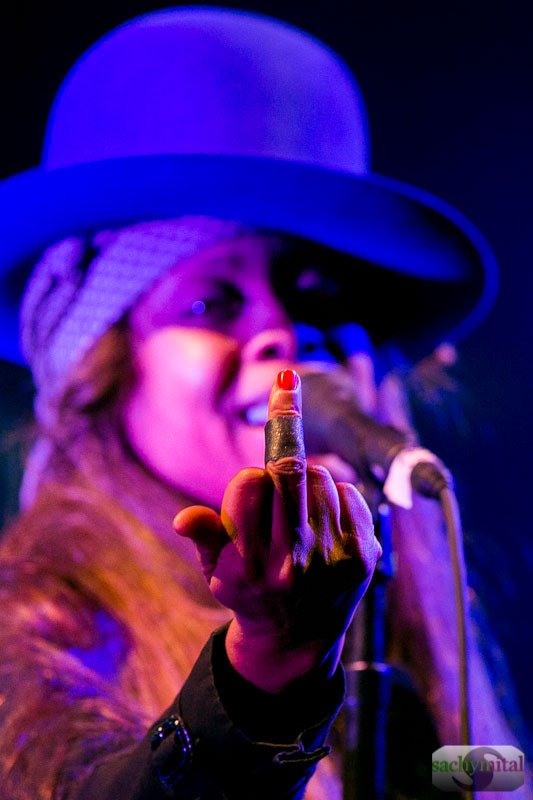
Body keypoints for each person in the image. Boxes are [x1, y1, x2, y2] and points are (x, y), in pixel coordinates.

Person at [0, 8, 528, 800]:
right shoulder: (37, 629)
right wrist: (266, 675)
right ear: (105, 372)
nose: (282, 332)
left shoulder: (403, 620)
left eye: (314, 298)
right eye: (211, 304)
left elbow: (468, 778)